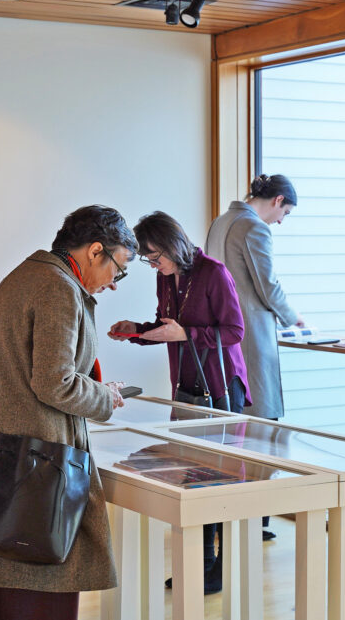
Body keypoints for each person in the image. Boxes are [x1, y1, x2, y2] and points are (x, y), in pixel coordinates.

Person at [0, 205, 136, 620]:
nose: (115, 284)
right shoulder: (58, 288)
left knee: (15, 587)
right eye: (118, 270)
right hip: (43, 458)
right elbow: (55, 382)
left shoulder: (24, 276)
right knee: (46, 586)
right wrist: (105, 398)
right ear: (94, 250)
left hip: (9, 450)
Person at [108, 211, 249, 594]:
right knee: (191, 475)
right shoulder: (166, 277)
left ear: (172, 245)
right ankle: (198, 564)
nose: (154, 266)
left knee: (219, 479)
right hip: (186, 384)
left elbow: (234, 331)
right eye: (148, 261)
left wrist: (185, 332)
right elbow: (165, 326)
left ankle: (220, 566)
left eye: (156, 258)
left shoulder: (213, 271)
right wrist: (135, 332)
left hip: (219, 386)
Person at [205, 173, 302, 540]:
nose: (281, 220)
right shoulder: (254, 228)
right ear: (277, 200)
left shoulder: (220, 222)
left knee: (231, 425)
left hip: (223, 334)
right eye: (286, 212)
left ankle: (229, 513)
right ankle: (254, 515)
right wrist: (293, 317)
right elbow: (267, 284)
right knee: (261, 422)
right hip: (250, 333)